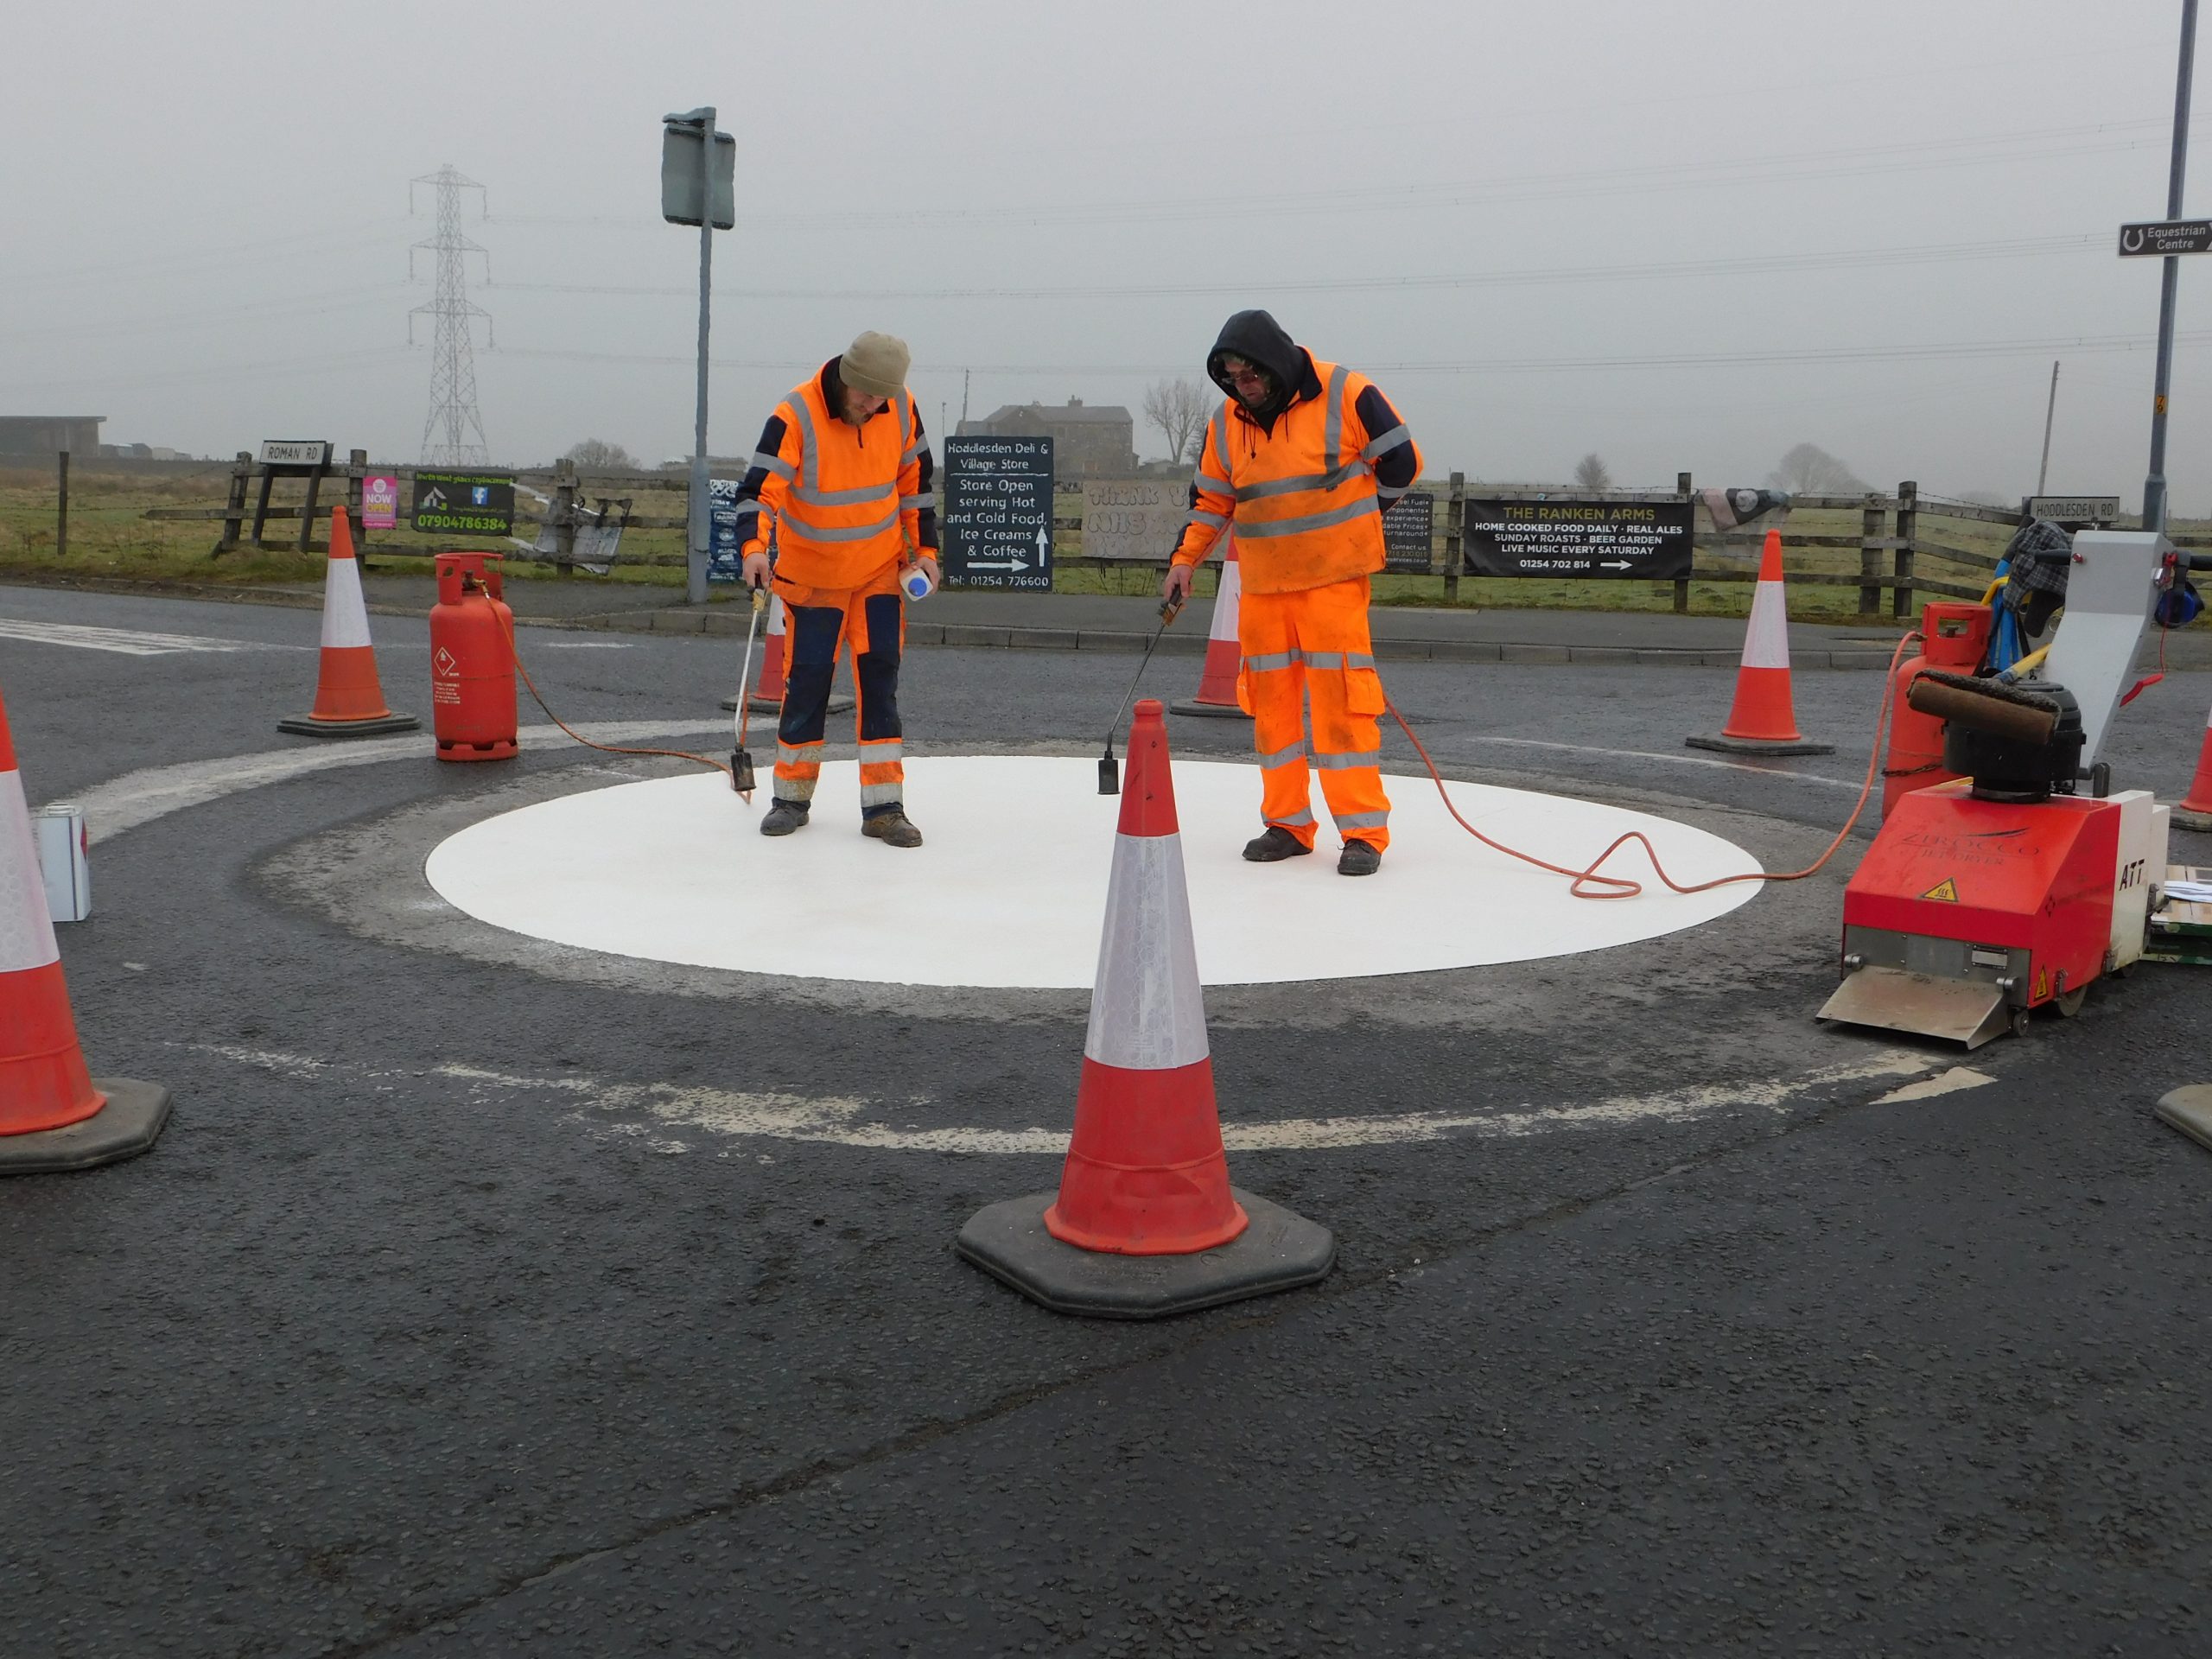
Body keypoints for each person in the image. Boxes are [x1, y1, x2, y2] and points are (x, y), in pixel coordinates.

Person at [1162, 310, 1422, 875]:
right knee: (1271, 710)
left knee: (1342, 710)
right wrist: (1184, 562)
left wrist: (1361, 518)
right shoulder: (1227, 422)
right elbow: (1210, 502)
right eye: (1230, 377)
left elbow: (1403, 461)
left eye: (1248, 375)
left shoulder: (1344, 393)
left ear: (1273, 364)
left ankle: (1362, 833)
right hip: (1263, 589)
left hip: (1332, 583)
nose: (1241, 386)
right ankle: (1287, 825)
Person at [734, 332, 938, 846]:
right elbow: (758, 492)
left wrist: (927, 554)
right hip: (813, 581)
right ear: (845, 377)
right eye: (864, 396)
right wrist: (753, 549)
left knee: (879, 684)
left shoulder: (901, 407)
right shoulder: (795, 414)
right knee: (806, 685)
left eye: (881, 399)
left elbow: (916, 486)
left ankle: (884, 808)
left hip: (879, 578)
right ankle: (791, 799)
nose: (871, 407)